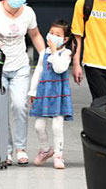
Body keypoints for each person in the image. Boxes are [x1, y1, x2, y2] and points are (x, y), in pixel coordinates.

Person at [0, 0, 45, 166]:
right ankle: (6, 149)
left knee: (20, 105)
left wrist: (46, 56)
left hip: (20, 66)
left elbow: (35, 35)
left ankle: (21, 148)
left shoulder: (28, 13)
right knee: (0, 109)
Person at [29, 19, 74, 170]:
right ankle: (46, 149)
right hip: (43, 92)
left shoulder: (66, 53)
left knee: (57, 126)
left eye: (57, 34)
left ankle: (58, 155)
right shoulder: (43, 53)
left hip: (58, 93)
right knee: (38, 126)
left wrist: (54, 51)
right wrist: (33, 91)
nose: (52, 36)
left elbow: (60, 68)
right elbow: (38, 71)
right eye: (51, 33)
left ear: (65, 39)